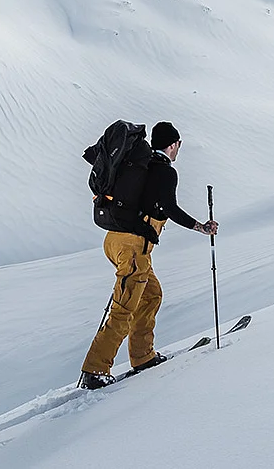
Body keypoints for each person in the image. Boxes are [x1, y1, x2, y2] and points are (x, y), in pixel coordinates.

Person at [78, 121, 216, 389]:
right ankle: (95, 370)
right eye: (178, 145)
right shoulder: (164, 171)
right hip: (132, 246)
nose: (178, 150)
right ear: (173, 144)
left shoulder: (140, 165)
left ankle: (143, 357)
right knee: (124, 306)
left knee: (151, 295)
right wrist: (200, 226)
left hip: (117, 241)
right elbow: (169, 207)